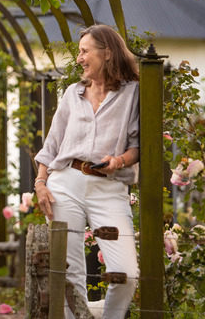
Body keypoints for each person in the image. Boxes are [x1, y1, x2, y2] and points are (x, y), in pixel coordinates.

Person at [33, 24, 140, 319]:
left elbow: (138, 146)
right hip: (65, 183)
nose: (79, 58)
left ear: (106, 53)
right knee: (69, 275)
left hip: (108, 188)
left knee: (126, 274)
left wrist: (118, 161)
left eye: (84, 51)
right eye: (79, 52)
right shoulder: (73, 93)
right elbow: (52, 144)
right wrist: (41, 183)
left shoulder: (133, 94)